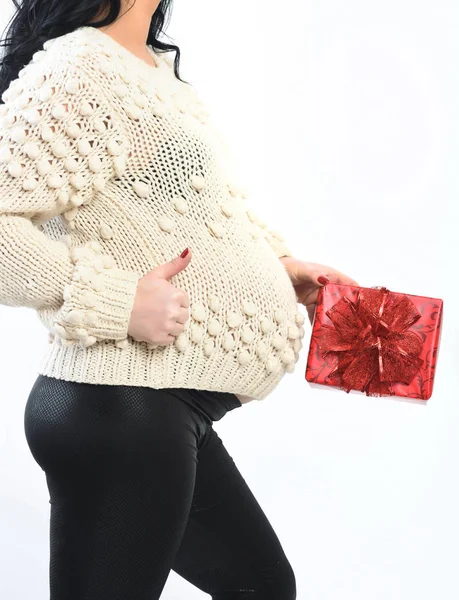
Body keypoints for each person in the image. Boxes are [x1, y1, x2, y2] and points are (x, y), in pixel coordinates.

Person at [0, 1, 358, 598]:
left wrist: (278, 270)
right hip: (119, 404)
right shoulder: (79, 69)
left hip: (160, 409)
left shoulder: (147, 68)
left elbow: (183, 216)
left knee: (261, 587)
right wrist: (115, 300)